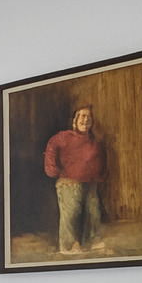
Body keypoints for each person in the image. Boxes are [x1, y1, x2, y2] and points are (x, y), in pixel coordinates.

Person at [43, 104, 106, 254]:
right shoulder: (62, 137)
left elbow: (101, 160)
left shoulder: (94, 142)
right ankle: (69, 245)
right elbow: (51, 150)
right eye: (82, 116)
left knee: (93, 212)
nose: (85, 120)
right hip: (68, 183)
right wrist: (53, 171)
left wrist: (100, 176)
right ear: (74, 120)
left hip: (90, 183)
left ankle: (92, 241)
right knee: (71, 214)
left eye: (88, 117)